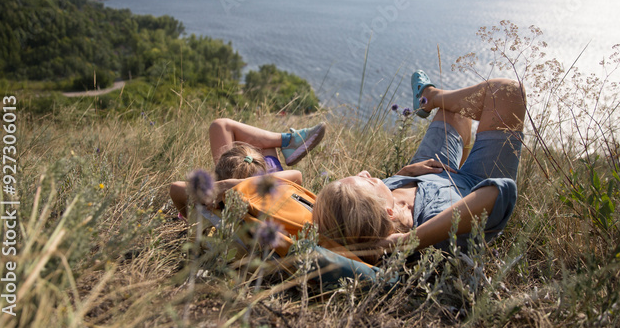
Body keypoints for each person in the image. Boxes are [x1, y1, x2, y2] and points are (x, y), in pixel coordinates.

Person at [312, 70, 525, 259]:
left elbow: (368, 204)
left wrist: (403, 174)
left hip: (425, 171)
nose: (365, 171)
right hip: (477, 180)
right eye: (368, 180)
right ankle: (430, 96)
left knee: (454, 108)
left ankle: (431, 98)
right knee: (508, 91)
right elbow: (499, 191)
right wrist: (408, 241)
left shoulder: (372, 209)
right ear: (389, 213)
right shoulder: (435, 228)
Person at [170, 116, 326, 216]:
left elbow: (175, 188)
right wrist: (235, 184)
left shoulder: (211, 200)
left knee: (220, 126)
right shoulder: (270, 190)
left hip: (231, 189)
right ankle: (289, 141)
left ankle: (289, 141)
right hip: (268, 186)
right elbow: (296, 175)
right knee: (256, 141)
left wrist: (224, 185)